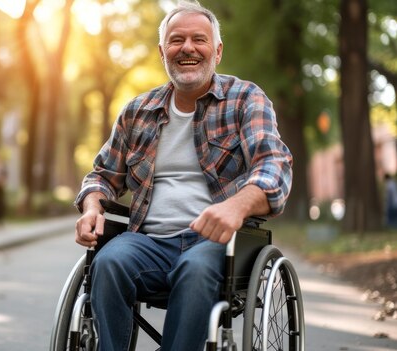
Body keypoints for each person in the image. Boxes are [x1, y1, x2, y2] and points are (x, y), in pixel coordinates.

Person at [73, 1, 294, 350]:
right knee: (110, 260)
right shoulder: (137, 111)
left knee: (195, 270)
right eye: (177, 40)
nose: (187, 48)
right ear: (163, 52)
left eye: (199, 39)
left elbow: (273, 166)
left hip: (215, 244)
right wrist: (91, 207)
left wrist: (236, 207)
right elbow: (101, 175)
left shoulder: (246, 100)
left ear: (217, 51)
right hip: (149, 243)